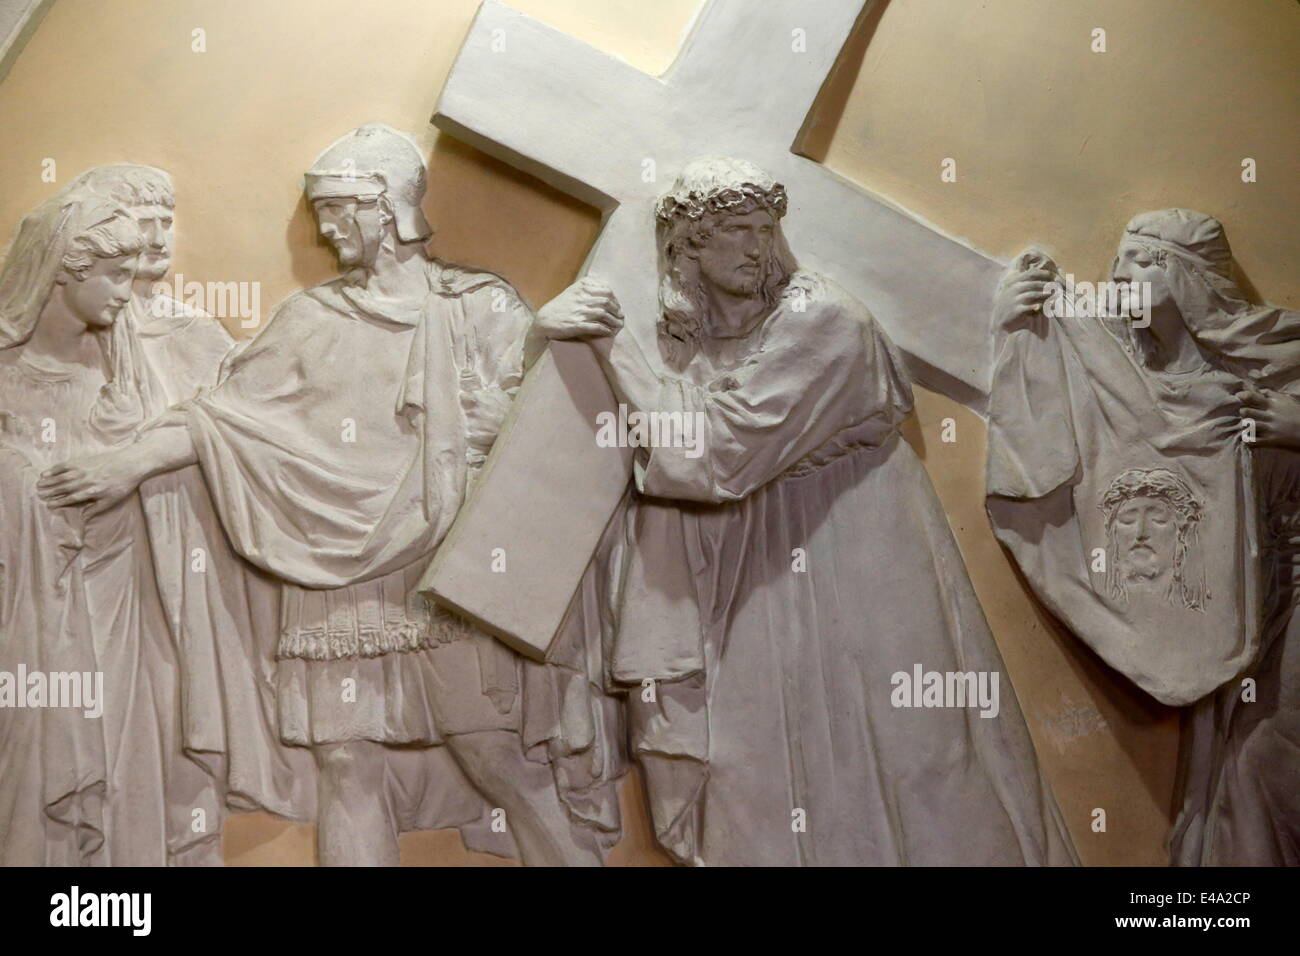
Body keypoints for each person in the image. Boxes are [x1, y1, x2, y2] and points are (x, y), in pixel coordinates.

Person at [42, 125, 622, 865]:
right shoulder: (311, 320)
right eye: (321, 210)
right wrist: (126, 464)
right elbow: (221, 420)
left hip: (449, 570)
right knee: (346, 764)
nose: (325, 227)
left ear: (390, 207)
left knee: (492, 752)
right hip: (334, 573)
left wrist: (548, 339)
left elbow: (527, 420)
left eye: (341, 209)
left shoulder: (478, 306)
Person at [535, 156, 1077, 865]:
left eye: (766, 228)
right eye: (732, 231)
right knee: (753, 768)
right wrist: (544, 332)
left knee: (908, 758)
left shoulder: (824, 321)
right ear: (686, 246)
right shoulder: (692, 337)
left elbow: (708, 455)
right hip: (748, 573)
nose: (756, 247)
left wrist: (609, 343)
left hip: (854, 555)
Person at [990, 208, 1300, 864]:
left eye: (1144, 260)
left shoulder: (1280, 355)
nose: (1121, 274)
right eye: (1119, 261)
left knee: (1273, 763)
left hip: (1296, 596)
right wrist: (1017, 323)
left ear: (1189, 278)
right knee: (1236, 783)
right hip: (1238, 611)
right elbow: (1067, 438)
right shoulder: (1133, 382)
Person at [0, 182, 222, 864]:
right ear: (65, 270)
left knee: (126, 756)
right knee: (31, 754)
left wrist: (128, 464)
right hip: (27, 604)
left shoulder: (136, 367)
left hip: (125, 597)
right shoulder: (7, 370)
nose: (132, 290)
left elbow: (225, 425)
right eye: (116, 275)